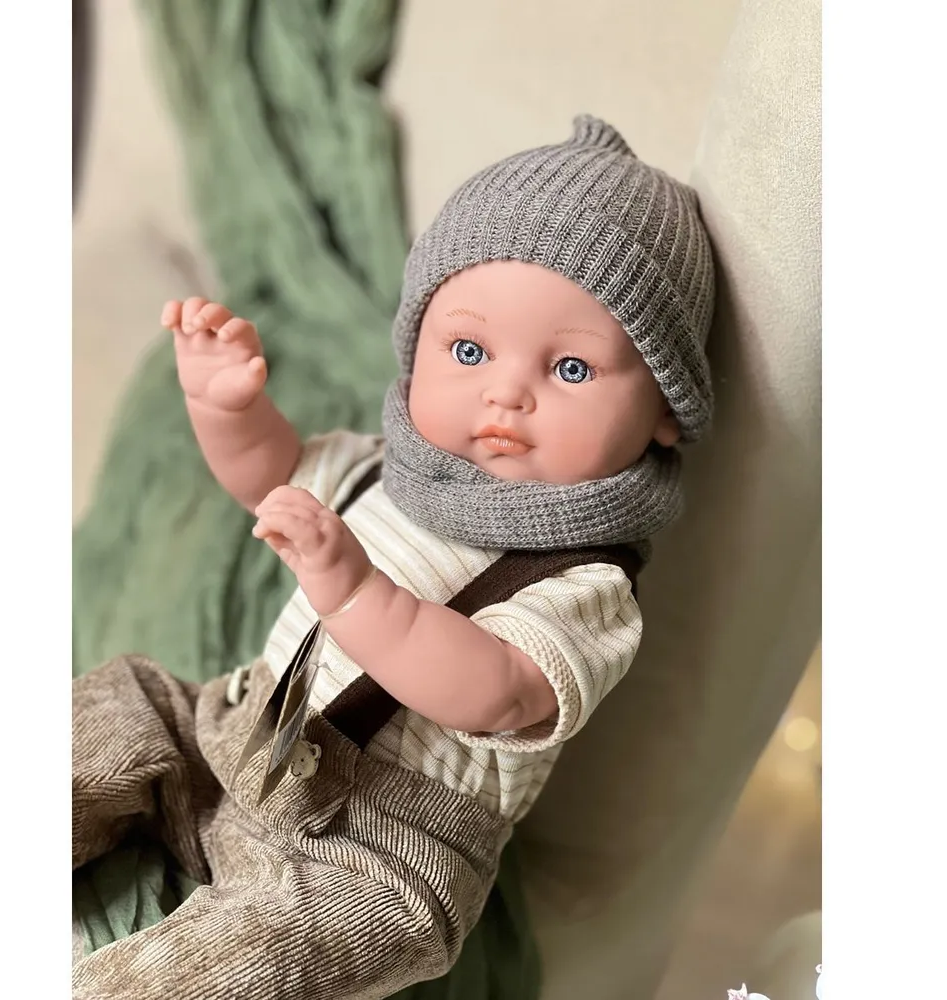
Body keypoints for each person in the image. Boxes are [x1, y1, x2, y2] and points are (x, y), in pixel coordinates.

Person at [71, 114, 715, 999]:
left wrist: (354, 591)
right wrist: (226, 410)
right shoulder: (385, 472)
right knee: (125, 702)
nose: (505, 392)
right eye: (469, 350)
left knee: (258, 957)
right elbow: (271, 479)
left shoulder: (586, 584)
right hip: (238, 732)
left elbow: (496, 689)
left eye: (570, 369)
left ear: (666, 412)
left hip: (379, 853)